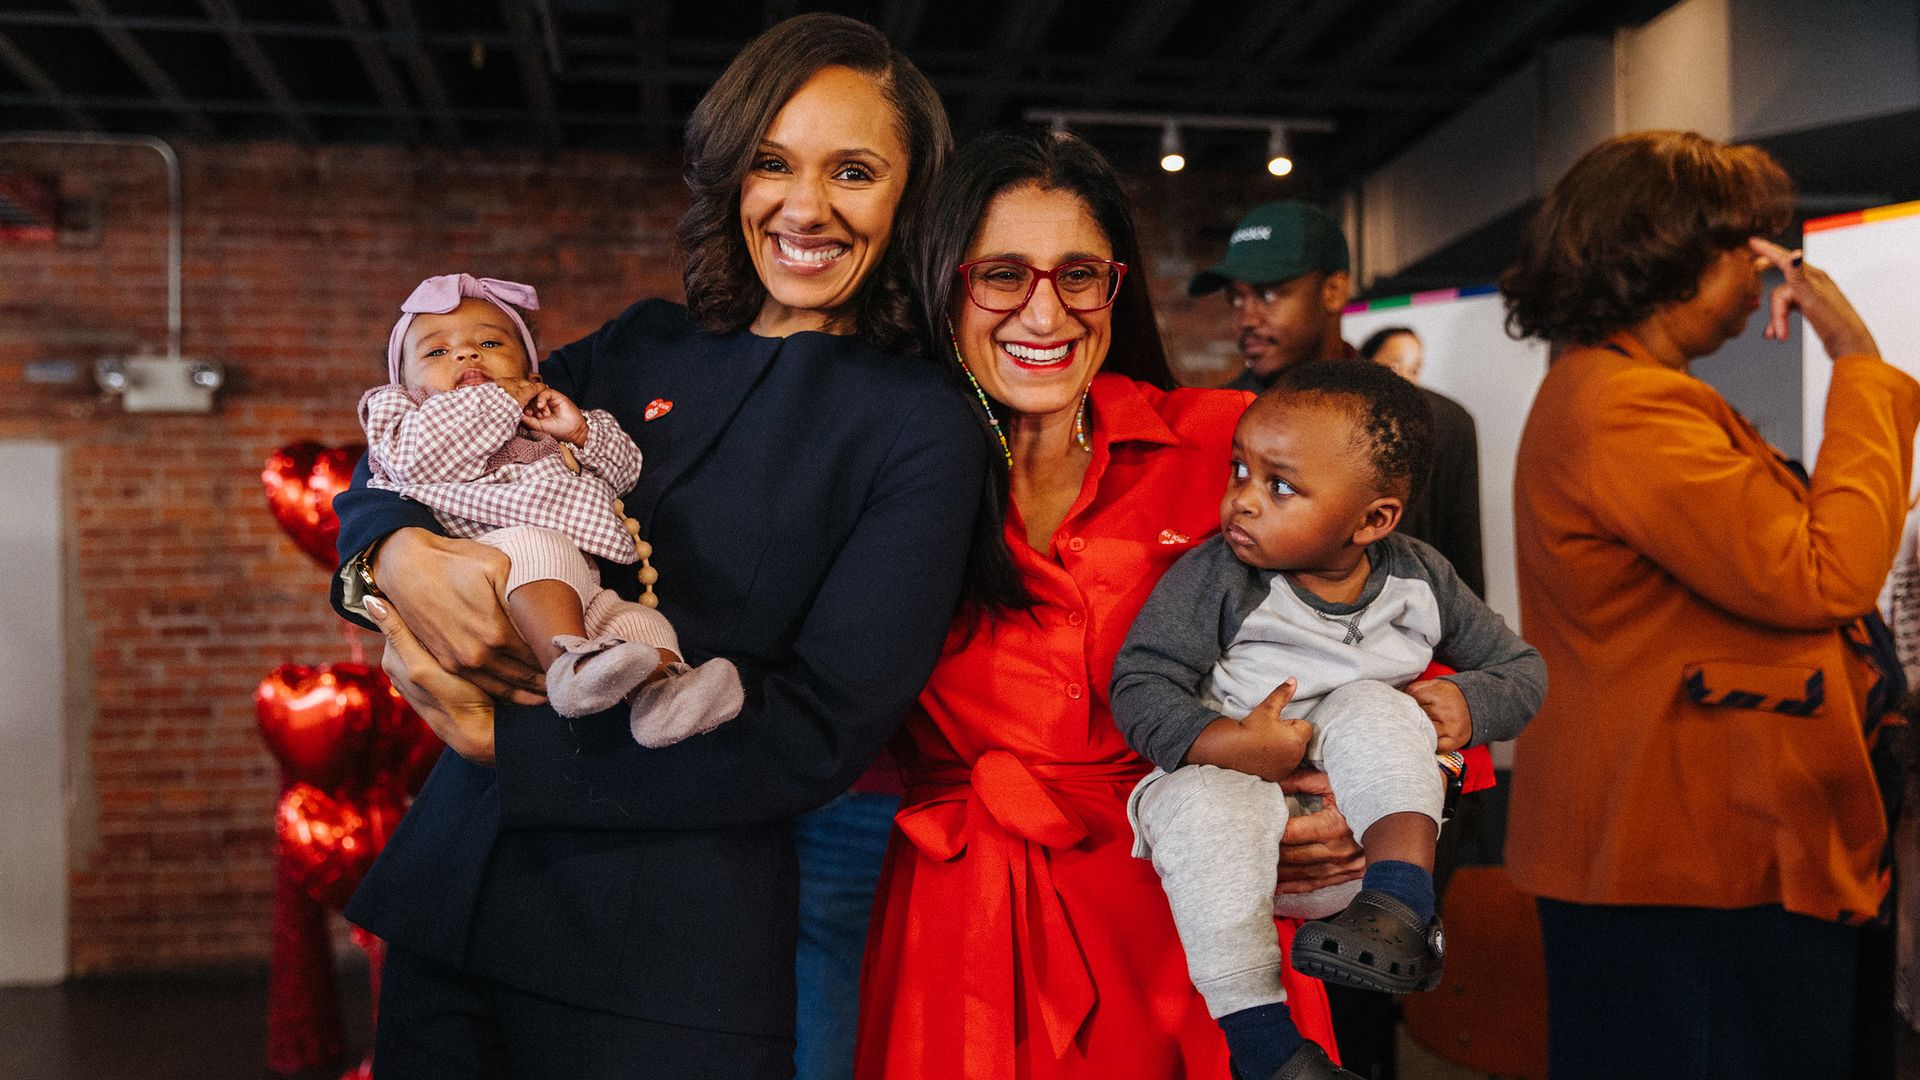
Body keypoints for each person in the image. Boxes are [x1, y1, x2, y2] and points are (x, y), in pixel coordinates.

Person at [328, 15, 979, 1079]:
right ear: (733, 174)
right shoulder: (641, 342)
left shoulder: (920, 424)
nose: (804, 206)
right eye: (773, 162)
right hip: (455, 898)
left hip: (664, 962)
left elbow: (819, 729)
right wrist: (390, 558)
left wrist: (513, 747)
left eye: (853, 171)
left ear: (910, 196)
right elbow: (409, 445)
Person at [855, 131, 1357, 1080]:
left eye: (1078, 274)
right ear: (943, 283)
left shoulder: (1219, 447)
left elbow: (1400, 635)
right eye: (1001, 274)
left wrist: (1362, 807)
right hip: (966, 921)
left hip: (1191, 914)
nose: (1044, 311)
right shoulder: (884, 473)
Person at [1503, 129, 1920, 1080]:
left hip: (1691, 850)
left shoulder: (1621, 394)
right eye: (1747, 245)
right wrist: (1856, 357)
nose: (1765, 269)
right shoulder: (1628, 406)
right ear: (1670, 251)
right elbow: (1829, 575)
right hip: (1691, 863)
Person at [1111, 359, 1544, 1080]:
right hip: (1230, 859)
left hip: (1355, 859)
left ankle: (1400, 908)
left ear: (1373, 520)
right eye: (1238, 471)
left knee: (1376, 705)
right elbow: (1141, 683)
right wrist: (1232, 745)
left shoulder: (1421, 578)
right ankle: (1266, 1047)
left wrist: (1471, 704)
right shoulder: (1219, 576)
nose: (1243, 502)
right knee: (1203, 796)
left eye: (1279, 486)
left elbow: (1523, 670)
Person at [361, 272, 741, 741]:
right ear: (404, 383)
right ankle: (570, 668)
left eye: (490, 343)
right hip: (491, 571)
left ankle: (663, 698)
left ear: (531, 374)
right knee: (540, 545)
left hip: (579, 586)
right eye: (436, 352)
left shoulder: (546, 424)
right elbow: (411, 460)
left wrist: (580, 433)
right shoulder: (405, 414)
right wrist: (499, 397)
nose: (467, 353)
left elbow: (624, 474)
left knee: (637, 621)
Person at [1191, 201, 1484, 599]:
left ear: (1333, 290)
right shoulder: (1207, 421)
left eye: (1268, 292)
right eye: (1236, 299)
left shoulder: (1438, 423)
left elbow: (1463, 592)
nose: (1247, 318)